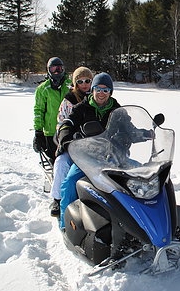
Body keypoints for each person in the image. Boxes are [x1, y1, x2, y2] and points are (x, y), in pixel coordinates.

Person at [56, 72, 121, 228]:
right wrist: (66, 138)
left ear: (110, 92)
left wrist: (143, 133)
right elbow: (67, 123)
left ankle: (132, 220)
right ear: (92, 90)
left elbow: (127, 128)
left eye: (106, 90)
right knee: (70, 181)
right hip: (86, 157)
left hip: (110, 157)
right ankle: (65, 222)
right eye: (98, 88)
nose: (101, 93)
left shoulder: (117, 109)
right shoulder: (81, 108)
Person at [48, 66, 94, 217]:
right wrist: (67, 138)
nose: (85, 84)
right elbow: (62, 122)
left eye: (88, 80)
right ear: (75, 83)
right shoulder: (70, 100)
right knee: (61, 162)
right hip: (73, 143)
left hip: (95, 144)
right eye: (80, 81)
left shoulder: (99, 96)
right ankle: (57, 198)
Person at [33, 57, 71, 162]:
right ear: (48, 70)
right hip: (51, 131)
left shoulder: (69, 85)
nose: (57, 72)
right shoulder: (43, 89)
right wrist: (38, 131)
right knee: (54, 158)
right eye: (54, 69)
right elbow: (39, 111)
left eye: (60, 68)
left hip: (68, 129)